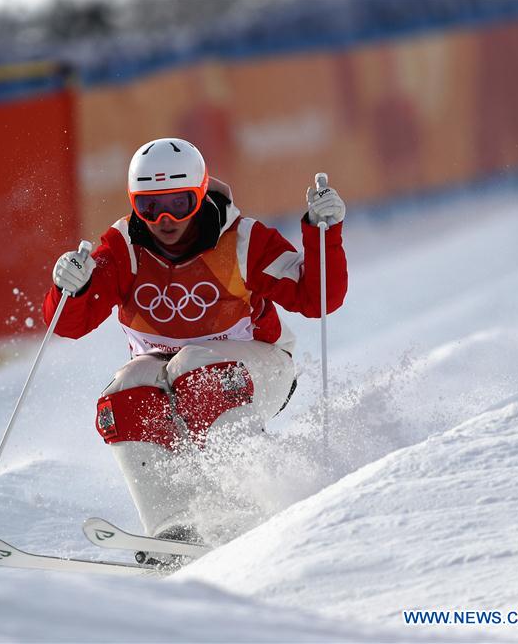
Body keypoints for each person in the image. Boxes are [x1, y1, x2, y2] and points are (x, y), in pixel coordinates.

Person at [43, 137, 348, 544]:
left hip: (258, 370)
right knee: (125, 392)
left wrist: (323, 233)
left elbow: (318, 297)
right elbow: (68, 324)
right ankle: (173, 529)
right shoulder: (124, 248)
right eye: (149, 207)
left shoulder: (241, 240)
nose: (165, 219)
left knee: (194, 366)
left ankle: (254, 502)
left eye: (180, 203)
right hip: (169, 380)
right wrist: (72, 288)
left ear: (201, 194)